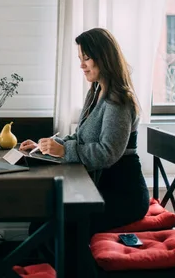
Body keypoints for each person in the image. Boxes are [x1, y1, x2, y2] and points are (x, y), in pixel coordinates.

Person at [21, 27, 149, 265]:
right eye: (80, 59)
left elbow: (108, 152)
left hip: (122, 195)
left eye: (86, 58)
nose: (82, 65)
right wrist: (48, 146)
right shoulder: (96, 91)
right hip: (98, 187)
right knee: (40, 225)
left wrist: (65, 151)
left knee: (57, 230)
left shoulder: (118, 100)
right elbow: (81, 138)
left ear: (104, 57)